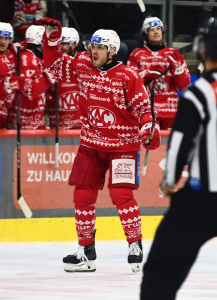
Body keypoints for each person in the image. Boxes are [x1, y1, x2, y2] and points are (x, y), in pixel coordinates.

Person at [41, 17, 161, 273]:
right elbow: (54, 67)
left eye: (100, 47)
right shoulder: (83, 64)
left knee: (121, 195)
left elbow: (143, 109)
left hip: (123, 145)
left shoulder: (128, 75)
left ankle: (135, 245)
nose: (94, 51)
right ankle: (85, 251)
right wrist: (51, 40)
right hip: (91, 144)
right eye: (92, 46)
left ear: (112, 51)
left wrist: (148, 129)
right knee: (82, 196)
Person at [140, 17, 217, 300]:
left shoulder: (200, 93)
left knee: (161, 273)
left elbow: (181, 142)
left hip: (202, 200)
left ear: (203, 51)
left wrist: (170, 180)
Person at [127, 17, 191, 130]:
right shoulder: (136, 54)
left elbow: (183, 85)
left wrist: (178, 67)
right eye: (151, 29)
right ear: (145, 34)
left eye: (158, 29)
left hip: (170, 112)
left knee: (168, 147)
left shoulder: (174, 54)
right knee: (148, 146)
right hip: (145, 112)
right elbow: (128, 86)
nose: (156, 32)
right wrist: (143, 77)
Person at [7, 24, 55, 129]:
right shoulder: (28, 59)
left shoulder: (38, 58)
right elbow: (29, 90)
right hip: (25, 125)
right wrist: (49, 77)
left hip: (35, 121)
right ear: (38, 41)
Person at [45, 26, 81, 129]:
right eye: (59, 44)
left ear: (74, 44)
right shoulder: (51, 63)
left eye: (64, 44)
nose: (61, 47)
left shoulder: (84, 61)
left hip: (81, 127)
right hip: (58, 126)